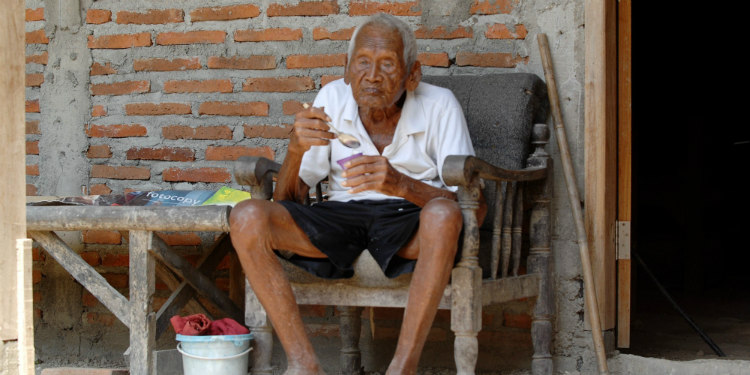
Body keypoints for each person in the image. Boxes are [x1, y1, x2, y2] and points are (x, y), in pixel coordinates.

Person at [229, 13, 483, 375]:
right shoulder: (331, 98)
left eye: (387, 64)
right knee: (247, 216)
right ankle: (304, 365)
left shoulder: (440, 105)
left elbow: (474, 209)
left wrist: (401, 184)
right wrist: (296, 149)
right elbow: (287, 202)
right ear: (346, 69)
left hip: (409, 215)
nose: (373, 76)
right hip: (340, 216)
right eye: (363, 62)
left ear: (412, 74)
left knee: (443, 215)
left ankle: (402, 367)